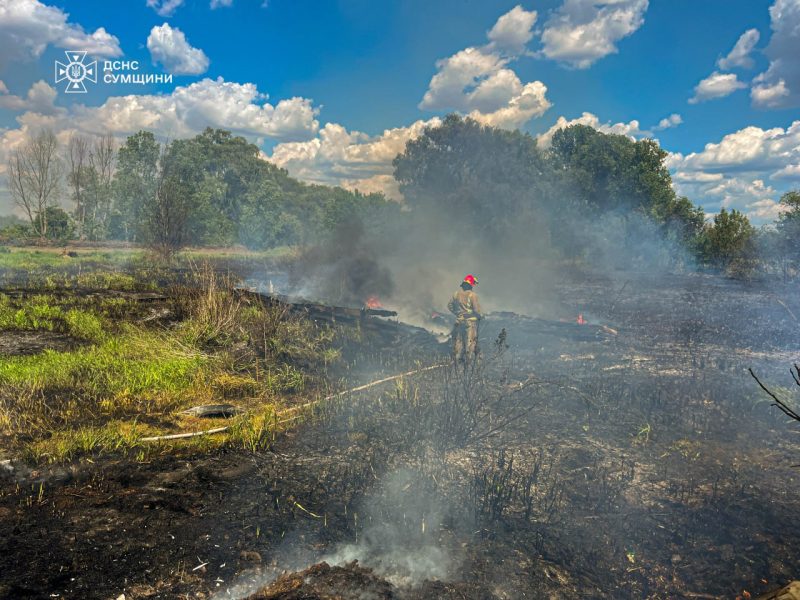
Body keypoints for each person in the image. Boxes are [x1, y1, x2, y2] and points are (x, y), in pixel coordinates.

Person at [447, 274, 482, 362]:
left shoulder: (456, 294)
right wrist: (480, 317)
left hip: (459, 322)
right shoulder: (473, 295)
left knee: (458, 344)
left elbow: (449, 305)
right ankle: (468, 363)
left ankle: (456, 363)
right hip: (470, 324)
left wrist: (457, 313)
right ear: (471, 285)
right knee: (470, 345)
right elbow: (477, 311)